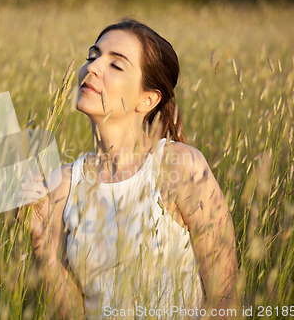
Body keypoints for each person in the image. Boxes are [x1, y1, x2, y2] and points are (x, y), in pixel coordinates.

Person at [19, 19, 239, 319]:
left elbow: (225, 297)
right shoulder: (63, 184)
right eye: (93, 56)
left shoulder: (180, 167)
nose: (92, 68)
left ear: (148, 99)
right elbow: (72, 313)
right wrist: (42, 246)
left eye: (116, 65)